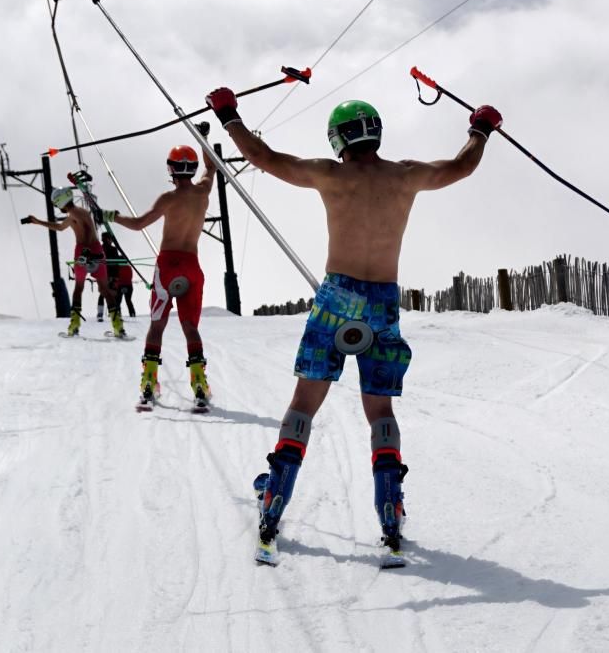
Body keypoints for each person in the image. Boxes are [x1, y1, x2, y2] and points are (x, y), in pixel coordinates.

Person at [206, 86, 501, 553]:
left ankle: (275, 500)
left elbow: (261, 156)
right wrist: (480, 127)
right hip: (381, 302)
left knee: (304, 402)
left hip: (337, 296)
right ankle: (390, 508)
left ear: (337, 139)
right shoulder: (406, 176)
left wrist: (227, 115)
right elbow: (461, 166)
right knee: (380, 409)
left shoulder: (328, 174)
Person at [101, 143, 217, 410]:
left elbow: (139, 224)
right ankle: (199, 382)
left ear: (171, 168)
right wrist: (203, 139)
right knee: (190, 326)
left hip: (167, 265)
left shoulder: (168, 198)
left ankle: (149, 382)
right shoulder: (203, 192)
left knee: (157, 324)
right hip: (191, 265)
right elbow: (211, 167)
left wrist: (112, 216)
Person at [22, 186, 126, 338]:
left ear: (60, 201)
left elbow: (87, 229)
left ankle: (74, 325)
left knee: (78, 288)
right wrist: (38, 222)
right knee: (105, 289)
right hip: (96, 250)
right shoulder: (75, 214)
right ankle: (118, 327)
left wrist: (85, 251)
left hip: (83, 251)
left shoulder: (76, 214)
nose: (58, 207)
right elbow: (60, 227)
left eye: (57, 204)